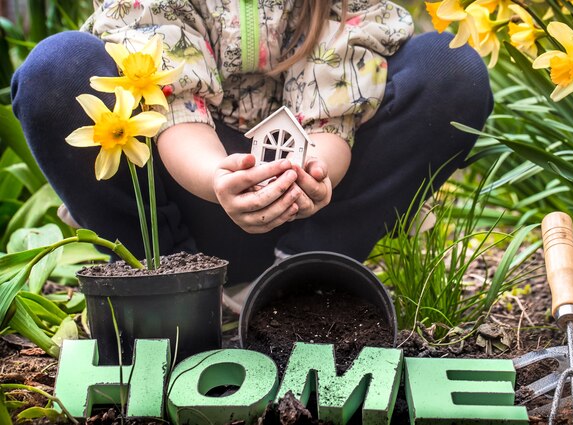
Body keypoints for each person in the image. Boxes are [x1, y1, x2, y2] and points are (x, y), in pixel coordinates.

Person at [11, 0, 493, 312]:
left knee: (451, 69)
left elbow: (333, 111)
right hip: (192, 186)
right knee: (56, 72)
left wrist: (309, 175)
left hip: (306, 198)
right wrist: (217, 178)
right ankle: (170, 293)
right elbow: (177, 106)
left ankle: (306, 280)